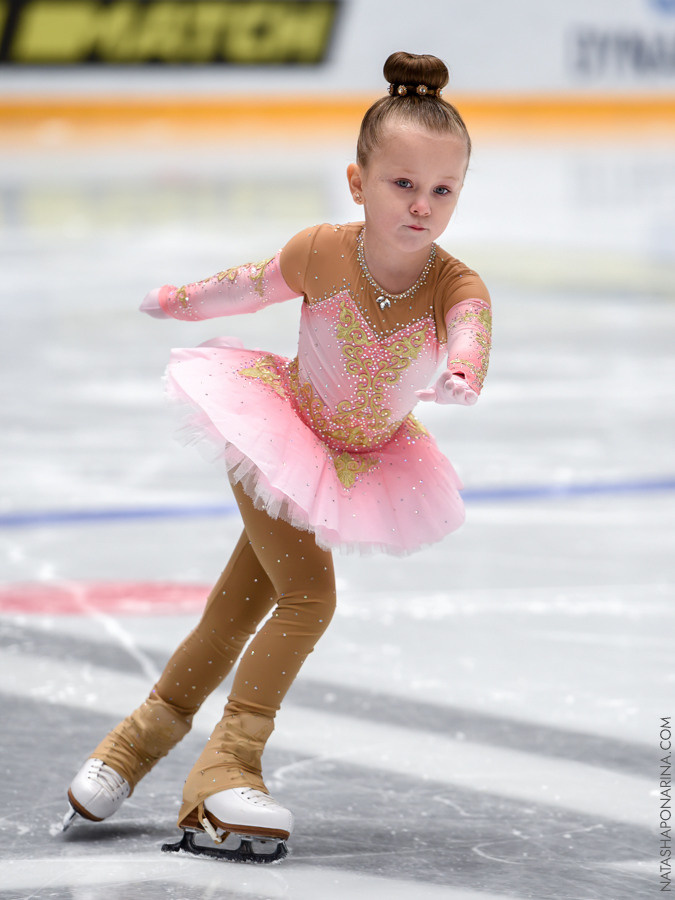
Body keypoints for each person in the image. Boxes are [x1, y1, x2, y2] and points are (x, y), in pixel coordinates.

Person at [63, 50, 492, 862]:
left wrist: (465, 372)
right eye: (403, 184)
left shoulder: (453, 283)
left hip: (357, 462)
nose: (422, 206)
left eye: (442, 190)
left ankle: (128, 749)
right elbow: (246, 285)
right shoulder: (323, 250)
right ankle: (227, 768)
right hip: (281, 438)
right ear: (358, 182)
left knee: (233, 612)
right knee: (308, 599)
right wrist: (175, 302)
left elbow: (471, 329)